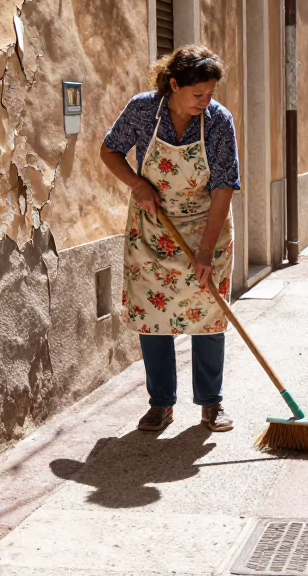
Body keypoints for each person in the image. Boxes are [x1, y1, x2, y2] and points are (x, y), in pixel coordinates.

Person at [100, 45, 239, 433]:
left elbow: (224, 188)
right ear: (174, 84)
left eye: (210, 94)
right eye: (198, 94)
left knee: (209, 313)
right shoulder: (144, 110)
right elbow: (109, 151)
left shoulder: (217, 121)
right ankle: (161, 402)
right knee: (152, 316)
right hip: (152, 227)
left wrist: (206, 251)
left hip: (205, 224)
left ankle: (211, 403)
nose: (205, 102)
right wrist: (137, 184)